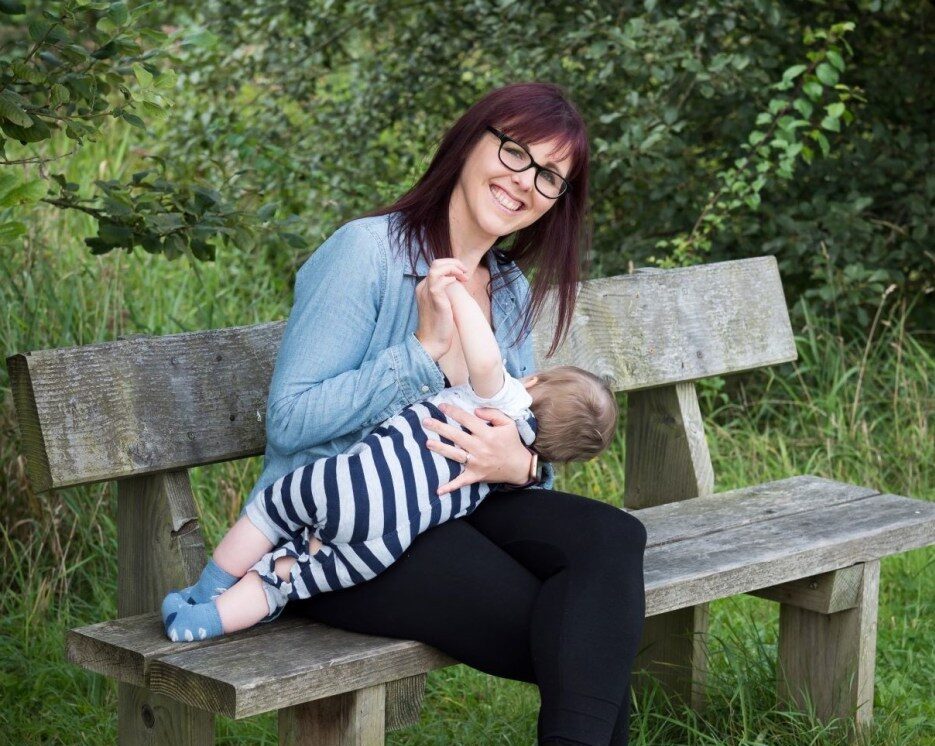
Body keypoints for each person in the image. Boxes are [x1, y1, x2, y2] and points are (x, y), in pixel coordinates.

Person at [181, 82, 647, 745]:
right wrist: (423, 352)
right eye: (515, 153)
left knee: (612, 540)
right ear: (470, 141)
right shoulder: (365, 253)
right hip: (346, 521)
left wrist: (521, 462)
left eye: (549, 177)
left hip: (459, 504)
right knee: (582, 635)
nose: (525, 183)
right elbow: (290, 420)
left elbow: (513, 413)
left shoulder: (507, 288)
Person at [161, 267, 619, 643]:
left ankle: (207, 590)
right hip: (383, 545)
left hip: (352, 483)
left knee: (270, 514)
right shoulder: (510, 466)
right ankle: (208, 622)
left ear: (534, 383)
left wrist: (457, 295)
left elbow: (487, 362)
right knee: (290, 575)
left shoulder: (508, 404)